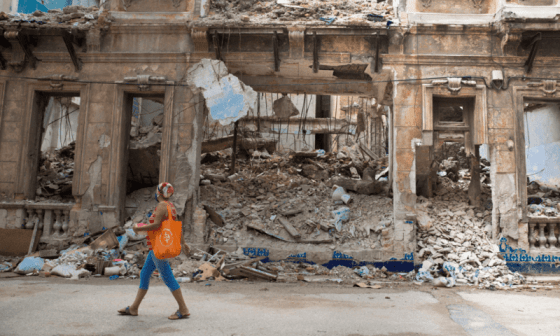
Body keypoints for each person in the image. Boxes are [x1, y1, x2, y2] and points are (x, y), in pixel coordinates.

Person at [118, 182, 191, 320]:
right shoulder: (171, 206)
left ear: (159, 192)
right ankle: (134, 308)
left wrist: (138, 228)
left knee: (167, 276)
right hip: (157, 247)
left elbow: (156, 225)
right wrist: (183, 243)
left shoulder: (162, 206)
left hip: (159, 246)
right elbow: (176, 227)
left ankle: (183, 308)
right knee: (145, 274)